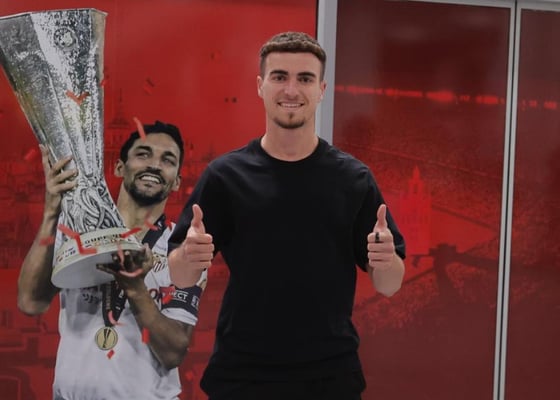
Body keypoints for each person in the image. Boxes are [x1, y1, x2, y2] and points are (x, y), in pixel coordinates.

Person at [168, 32, 406, 400]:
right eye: (279, 77)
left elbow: (389, 284)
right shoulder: (225, 176)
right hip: (242, 379)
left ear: (321, 90)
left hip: (330, 379)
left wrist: (386, 261)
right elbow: (181, 276)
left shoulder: (353, 179)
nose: (291, 90)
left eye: (305, 79)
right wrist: (188, 255)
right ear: (260, 86)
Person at [17, 121, 206, 400]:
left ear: (177, 180)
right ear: (119, 167)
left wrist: (136, 290)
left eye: (168, 160)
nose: (154, 165)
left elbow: (173, 352)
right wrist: (51, 212)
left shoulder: (182, 250)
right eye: (143, 154)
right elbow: (31, 302)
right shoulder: (78, 231)